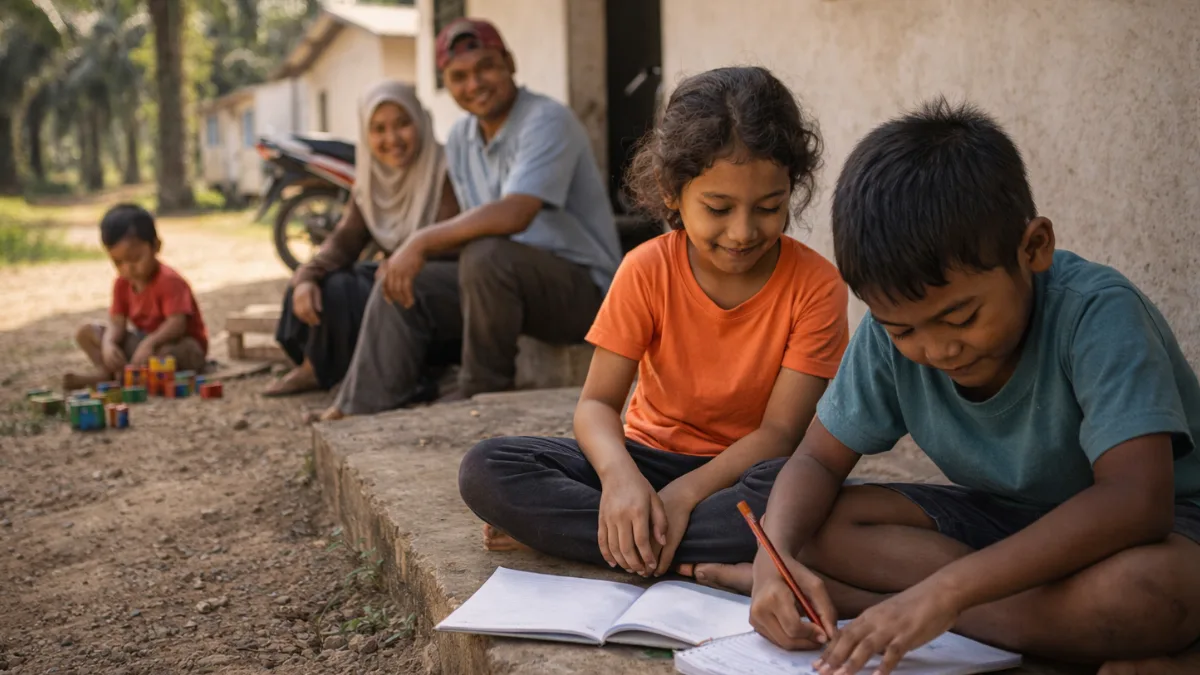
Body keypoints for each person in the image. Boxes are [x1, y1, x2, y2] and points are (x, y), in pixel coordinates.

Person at [690, 99, 1200, 675]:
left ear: (1033, 248)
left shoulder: (1096, 314)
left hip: (1160, 530)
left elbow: (1137, 502)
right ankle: (1064, 631)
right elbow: (814, 461)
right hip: (1003, 522)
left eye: (960, 318)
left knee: (1146, 594)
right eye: (905, 329)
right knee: (812, 525)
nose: (936, 349)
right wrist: (773, 560)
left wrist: (946, 594)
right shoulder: (890, 337)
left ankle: (883, 606)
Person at [458, 66, 849, 578]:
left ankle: (606, 536)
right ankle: (686, 543)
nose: (743, 231)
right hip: (646, 460)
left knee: (804, 491)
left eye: (769, 207)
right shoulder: (646, 269)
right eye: (718, 207)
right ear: (671, 192)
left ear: (790, 192)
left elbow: (779, 433)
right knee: (487, 469)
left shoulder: (817, 286)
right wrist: (620, 479)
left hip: (744, 476)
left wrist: (685, 495)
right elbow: (597, 405)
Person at [315, 18, 622, 420]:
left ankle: (483, 391)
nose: (474, 83)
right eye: (459, 76)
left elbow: (514, 213)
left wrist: (420, 241)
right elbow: (473, 224)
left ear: (509, 62)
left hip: (587, 295)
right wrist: (407, 257)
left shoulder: (547, 120)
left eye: (486, 67)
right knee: (403, 280)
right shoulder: (461, 138)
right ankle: (362, 405)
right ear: (446, 83)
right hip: (507, 287)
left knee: (486, 255)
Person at [266, 81, 458, 397]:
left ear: (420, 121)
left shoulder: (444, 171)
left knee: (347, 289)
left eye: (402, 124)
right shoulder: (370, 181)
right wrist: (306, 276)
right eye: (379, 129)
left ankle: (325, 371)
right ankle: (322, 368)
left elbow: (455, 243)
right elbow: (344, 241)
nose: (392, 139)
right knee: (319, 282)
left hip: (433, 297)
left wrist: (411, 259)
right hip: (396, 281)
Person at [63, 204, 208, 390]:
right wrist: (109, 344)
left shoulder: (170, 281)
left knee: (165, 356)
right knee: (86, 333)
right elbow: (117, 323)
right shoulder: (122, 283)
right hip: (143, 344)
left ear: (156, 246)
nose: (127, 268)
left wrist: (149, 343)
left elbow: (177, 324)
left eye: (136, 258)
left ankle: (133, 377)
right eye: (118, 262)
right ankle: (106, 373)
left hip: (178, 344)